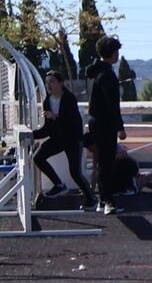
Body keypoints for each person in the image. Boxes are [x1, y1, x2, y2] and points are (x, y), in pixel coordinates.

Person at [31, 72, 93, 204]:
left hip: (73, 139)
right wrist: (32, 134)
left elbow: (72, 123)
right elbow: (47, 129)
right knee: (38, 157)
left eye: (52, 81)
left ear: (61, 83)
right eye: (47, 82)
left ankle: (91, 199)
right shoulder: (47, 101)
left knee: (75, 172)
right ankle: (59, 185)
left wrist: (55, 117)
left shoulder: (69, 99)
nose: (49, 85)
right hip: (57, 139)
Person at [83, 36, 124, 215]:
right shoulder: (108, 75)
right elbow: (112, 104)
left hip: (94, 123)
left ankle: (102, 200)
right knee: (106, 163)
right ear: (113, 53)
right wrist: (120, 126)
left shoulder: (94, 73)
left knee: (101, 163)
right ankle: (108, 201)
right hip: (105, 125)